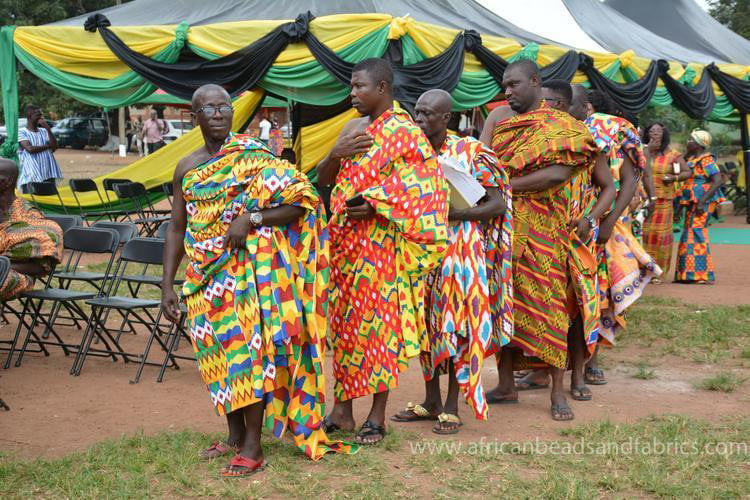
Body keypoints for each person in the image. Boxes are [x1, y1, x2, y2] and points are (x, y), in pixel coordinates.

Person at [160, 84, 353, 477]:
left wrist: (252, 219)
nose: (217, 112)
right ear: (193, 117)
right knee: (218, 358)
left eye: (224, 106)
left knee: (248, 358)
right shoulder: (186, 166)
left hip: (246, 273)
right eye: (207, 107)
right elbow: (177, 228)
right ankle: (233, 436)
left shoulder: (257, 158)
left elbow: (303, 199)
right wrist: (167, 284)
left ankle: (253, 445)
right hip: (201, 279)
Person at [317, 58, 449, 444]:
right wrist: (336, 153)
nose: (352, 93)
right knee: (344, 331)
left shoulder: (406, 133)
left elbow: (427, 188)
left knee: (379, 331)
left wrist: (376, 203)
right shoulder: (351, 128)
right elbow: (323, 180)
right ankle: (342, 411)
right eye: (351, 86)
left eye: (359, 86)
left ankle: (376, 416)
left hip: (381, 248)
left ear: (382, 88)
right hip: (344, 247)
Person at [480, 59, 598, 421]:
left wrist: (505, 187)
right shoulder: (501, 124)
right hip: (503, 229)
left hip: (547, 232)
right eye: (505, 85)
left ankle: (557, 392)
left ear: (535, 81)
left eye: (514, 84)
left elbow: (557, 174)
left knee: (551, 308)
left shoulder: (563, 127)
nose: (507, 91)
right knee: (504, 304)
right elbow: (483, 163)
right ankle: (506, 384)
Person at [389, 89, 512, 434]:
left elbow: (497, 204)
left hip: (460, 253)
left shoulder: (471, 152)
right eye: (417, 112)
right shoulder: (410, 154)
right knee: (425, 325)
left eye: (428, 114)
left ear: (447, 118)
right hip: (419, 252)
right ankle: (430, 401)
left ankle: (452, 406)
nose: (420, 119)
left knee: (456, 326)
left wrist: (459, 213)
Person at [517, 83, 617, 401]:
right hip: (534, 236)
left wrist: (590, 220)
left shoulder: (583, 140)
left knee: (574, 312)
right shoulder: (532, 136)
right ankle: (535, 371)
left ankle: (577, 377)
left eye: (548, 102)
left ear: (562, 104)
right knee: (535, 308)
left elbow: (609, 188)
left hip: (573, 237)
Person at [582, 90, 662, 386]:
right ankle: (546, 364)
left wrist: (609, 221)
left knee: (597, 292)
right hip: (569, 223)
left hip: (603, 226)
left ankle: (591, 362)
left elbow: (629, 181)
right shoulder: (566, 133)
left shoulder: (614, 134)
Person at [0, 159, 63, 300]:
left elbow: (40, 267)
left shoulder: (29, 216)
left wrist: (3, 265)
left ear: (8, 181)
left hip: (16, 275)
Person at [641, 123, 690, 281]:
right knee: (643, 234)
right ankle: (642, 270)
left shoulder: (673, 154)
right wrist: (647, 149)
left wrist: (673, 178)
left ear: (664, 134)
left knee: (660, 237)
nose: (654, 133)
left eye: (658, 131)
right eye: (651, 131)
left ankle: (658, 273)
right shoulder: (641, 151)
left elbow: (687, 172)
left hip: (663, 201)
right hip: (643, 199)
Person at [674, 130, 724, 284]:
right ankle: (687, 274)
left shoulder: (707, 160)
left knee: (696, 234)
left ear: (699, 144)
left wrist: (702, 201)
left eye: (692, 140)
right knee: (689, 233)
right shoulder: (693, 159)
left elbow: (717, 181)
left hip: (701, 202)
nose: (688, 141)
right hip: (692, 201)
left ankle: (700, 275)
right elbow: (677, 163)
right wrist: (685, 153)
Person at [17, 105, 63, 193]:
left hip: (48, 172)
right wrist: (47, 146)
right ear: (29, 116)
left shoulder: (44, 131)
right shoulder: (22, 132)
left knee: (50, 201)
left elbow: (55, 147)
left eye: (42, 115)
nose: (41, 117)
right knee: (33, 202)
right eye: (38, 115)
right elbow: (30, 149)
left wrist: (48, 129)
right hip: (31, 174)